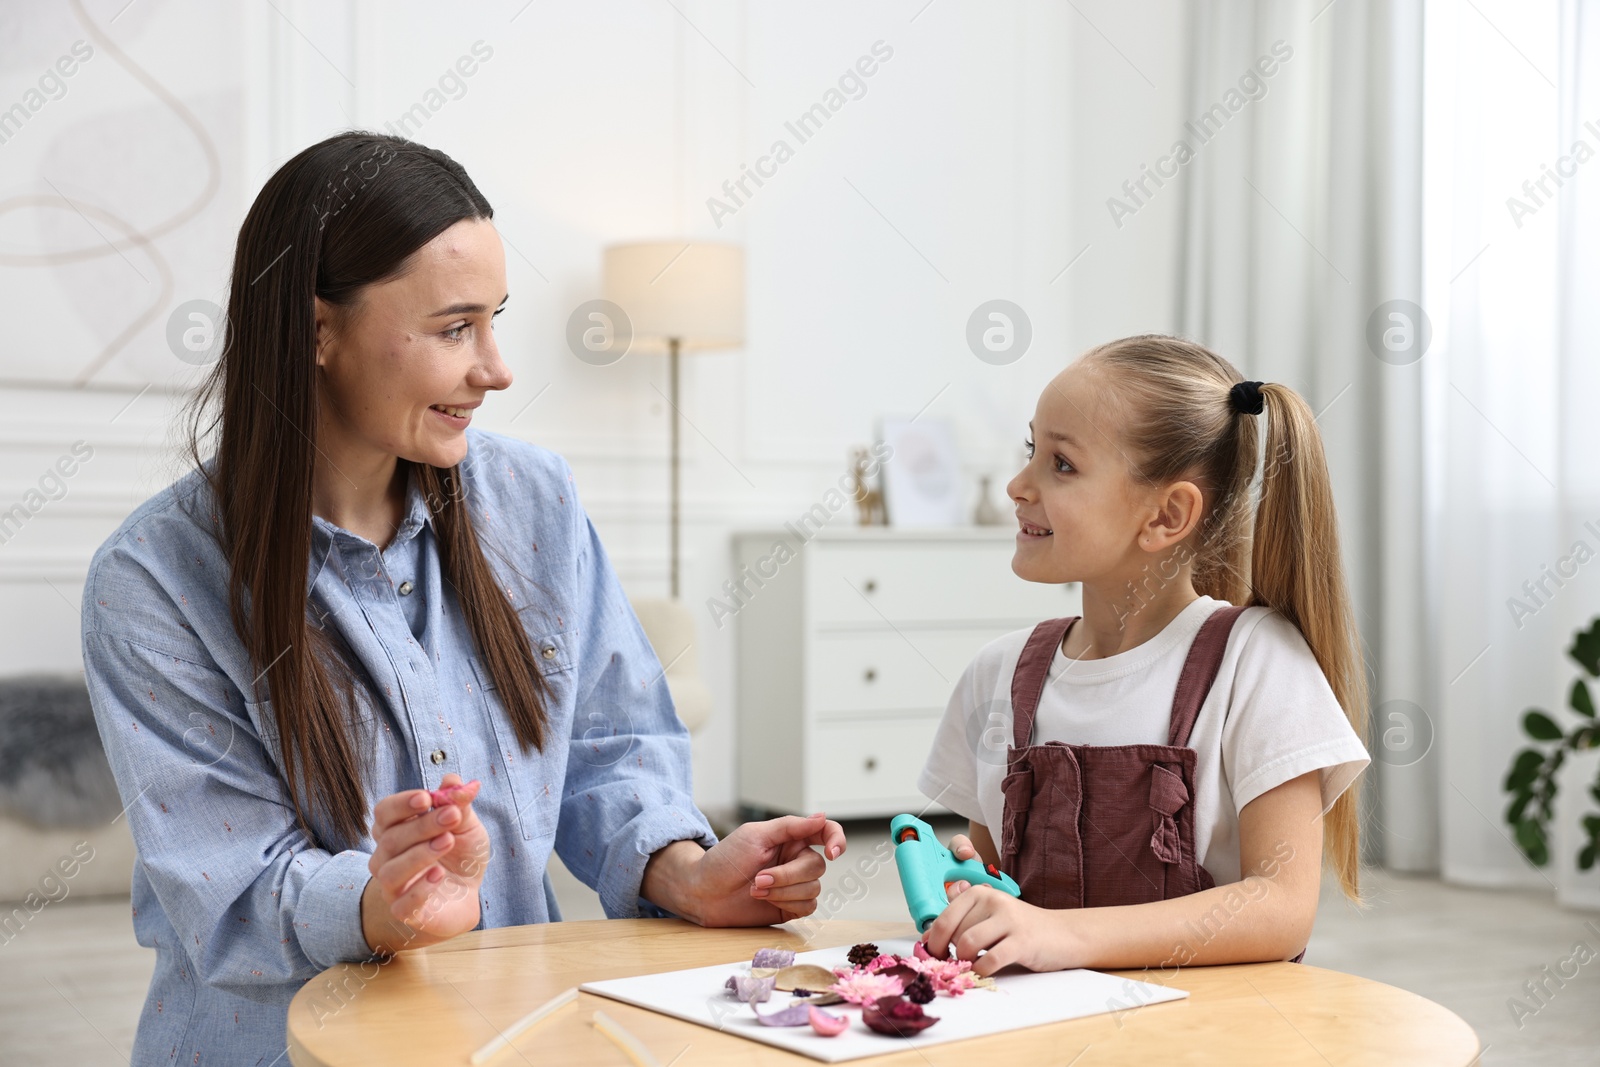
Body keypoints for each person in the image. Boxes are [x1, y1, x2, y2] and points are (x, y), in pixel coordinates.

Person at [80, 132, 846, 1066]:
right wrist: (379, 902)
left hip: (516, 1036)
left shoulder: (536, 503)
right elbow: (228, 888)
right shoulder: (154, 579)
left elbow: (613, 747)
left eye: (495, 320)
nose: (497, 367)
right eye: (454, 329)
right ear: (317, 330)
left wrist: (686, 873)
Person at [916, 336, 1370, 975]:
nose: (1019, 485)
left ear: (1167, 515)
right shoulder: (999, 674)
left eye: (1062, 465)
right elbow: (993, 883)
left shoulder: (1255, 662)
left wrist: (1064, 936)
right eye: (1031, 451)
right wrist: (970, 898)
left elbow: (1281, 907)